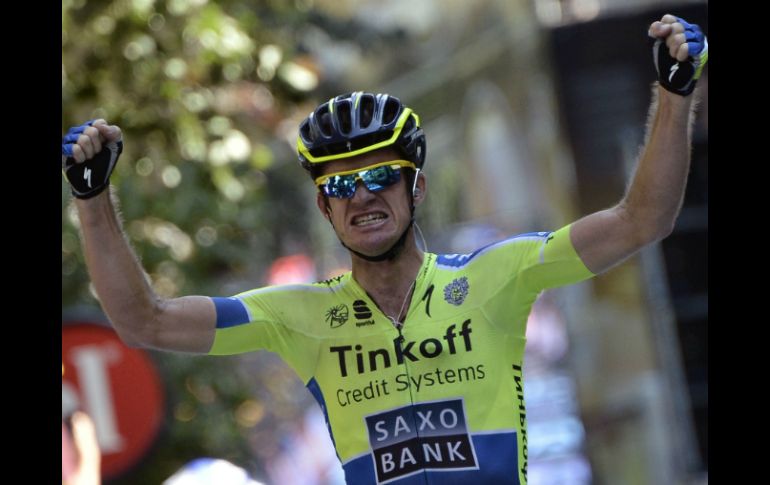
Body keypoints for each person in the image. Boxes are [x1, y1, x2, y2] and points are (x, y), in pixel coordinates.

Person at [61, 14, 707, 485]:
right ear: (324, 206)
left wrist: (675, 96)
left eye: (379, 176)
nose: (361, 195)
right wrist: (92, 200)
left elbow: (640, 220)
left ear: (416, 186)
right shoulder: (299, 315)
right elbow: (142, 319)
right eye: (341, 184)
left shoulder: (498, 274)